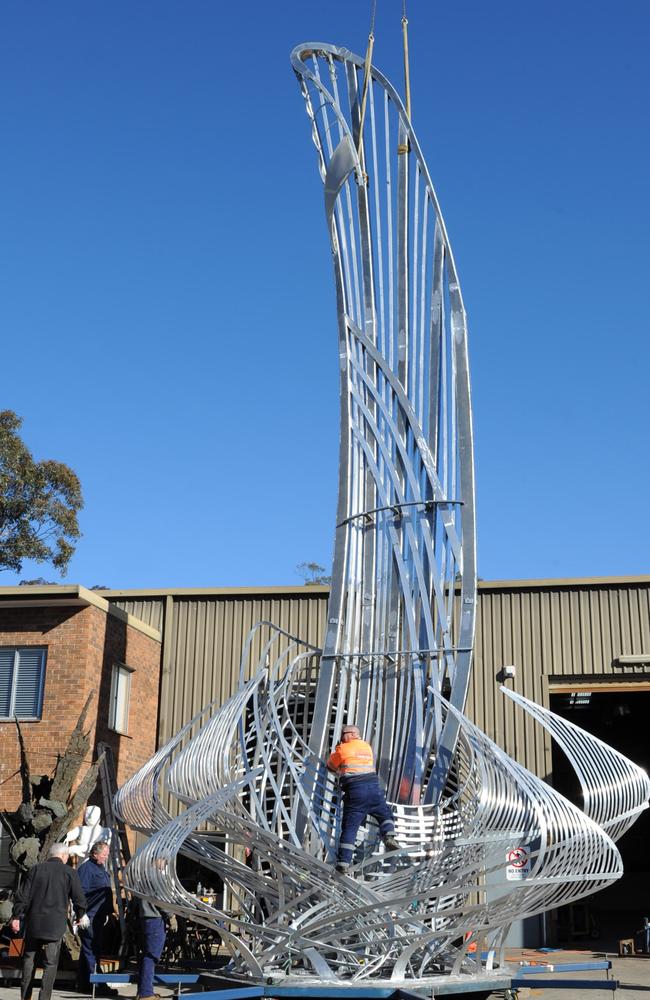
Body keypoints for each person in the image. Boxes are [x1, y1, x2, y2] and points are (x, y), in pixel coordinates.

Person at [9, 843, 88, 1000]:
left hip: (34, 923)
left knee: (29, 961)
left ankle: (26, 997)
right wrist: (80, 914)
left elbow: (22, 896)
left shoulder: (36, 869)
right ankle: (44, 997)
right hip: (55, 925)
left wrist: (16, 916)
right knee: (50, 964)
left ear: (51, 855)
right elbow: (79, 898)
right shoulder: (69, 872)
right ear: (64, 856)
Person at [327, 724, 399, 873]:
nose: (342, 737)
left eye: (343, 734)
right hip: (374, 789)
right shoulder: (366, 747)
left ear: (350, 734)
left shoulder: (343, 748)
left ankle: (343, 863)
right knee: (385, 813)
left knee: (350, 828)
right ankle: (389, 835)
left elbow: (330, 766)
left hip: (356, 793)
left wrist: (337, 752)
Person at [76, 840, 115, 995]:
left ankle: (84, 983)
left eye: (107, 854)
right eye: (104, 854)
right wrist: (81, 914)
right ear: (95, 853)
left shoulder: (100, 868)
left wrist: (107, 912)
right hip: (89, 916)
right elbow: (80, 893)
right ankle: (97, 985)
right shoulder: (86, 869)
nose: (106, 857)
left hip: (99, 916)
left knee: (91, 949)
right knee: (91, 950)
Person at [132, 858, 168, 1000]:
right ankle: (146, 993)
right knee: (151, 956)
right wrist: (171, 915)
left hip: (144, 919)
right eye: (165, 861)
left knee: (145, 955)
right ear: (158, 860)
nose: (165, 865)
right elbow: (161, 900)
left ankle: (142, 990)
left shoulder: (142, 876)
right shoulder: (155, 877)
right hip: (155, 919)